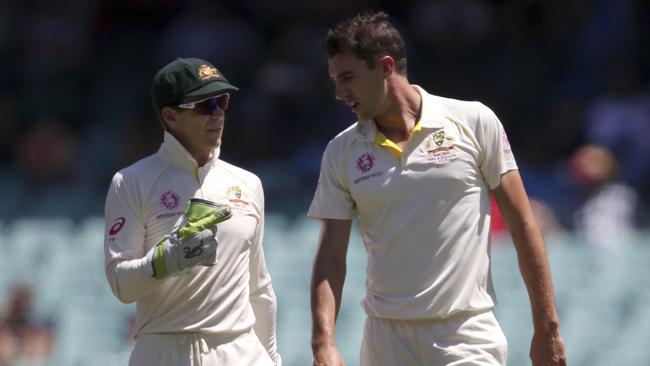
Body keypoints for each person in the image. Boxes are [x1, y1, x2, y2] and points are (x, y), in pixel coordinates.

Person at [308, 12, 566, 366]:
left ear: (385, 67)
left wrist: (547, 327)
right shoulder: (340, 151)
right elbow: (331, 257)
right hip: (385, 340)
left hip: (465, 336)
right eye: (335, 80)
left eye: (348, 78)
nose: (339, 93)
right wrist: (324, 342)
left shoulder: (474, 121)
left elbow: (523, 225)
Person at [103, 57, 281, 366]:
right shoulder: (131, 182)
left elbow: (259, 289)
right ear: (170, 117)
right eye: (203, 106)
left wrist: (273, 358)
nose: (217, 115)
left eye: (221, 102)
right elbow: (121, 284)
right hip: (164, 351)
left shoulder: (248, 183)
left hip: (239, 350)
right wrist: (167, 259)